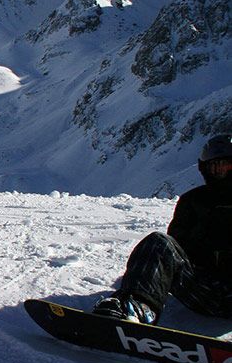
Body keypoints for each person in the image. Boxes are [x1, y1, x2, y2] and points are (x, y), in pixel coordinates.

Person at [93, 133, 232, 325]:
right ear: (205, 169)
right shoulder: (193, 201)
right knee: (158, 242)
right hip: (205, 288)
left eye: (228, 165)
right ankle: (137, 307)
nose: (223, 171)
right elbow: (174, 250)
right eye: (216, 166)